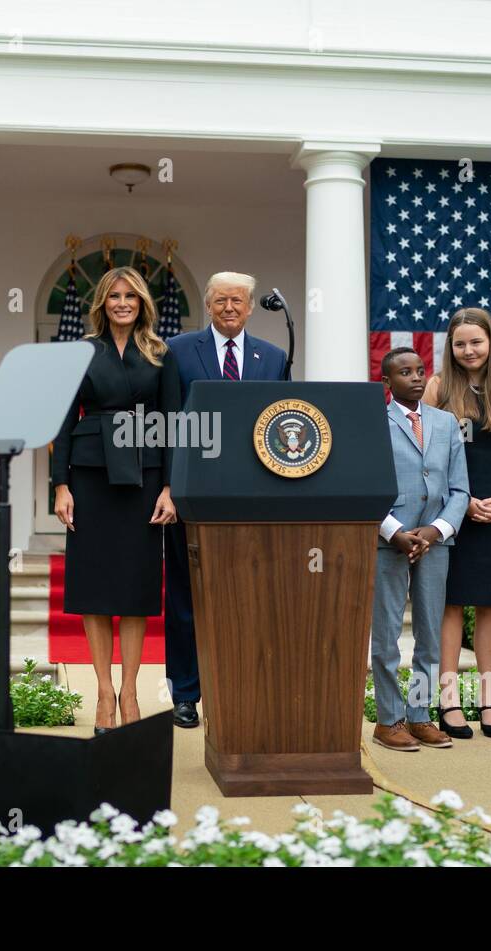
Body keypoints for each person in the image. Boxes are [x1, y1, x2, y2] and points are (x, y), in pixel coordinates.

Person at [52, 266, 182, 735]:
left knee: (133, 587)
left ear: (142, 302)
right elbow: (63, 420)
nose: (122, 302)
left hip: (144, 477)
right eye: (113, 296)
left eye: (130, 295)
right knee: (93, 585)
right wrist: (60, 485)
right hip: (89, 475)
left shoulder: (161, 352)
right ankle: (102, 692)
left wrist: (170, 487)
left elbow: (171, 423)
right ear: (102, 303)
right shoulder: (82, 351)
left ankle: (130, 691)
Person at [164, 270, 288, 729]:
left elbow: (282, 425)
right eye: (221, 301)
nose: (230, 308)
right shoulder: (177, 351)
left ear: (251, 306)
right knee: (185, 594)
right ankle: (186, 693)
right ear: (209, 305)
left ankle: (243, 688)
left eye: (238, 301)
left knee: (249, 593)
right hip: (193, 493)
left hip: (253, 497)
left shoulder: (272, 358)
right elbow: (168, 423)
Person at [422, 307, 491, 739]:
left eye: (476, 342)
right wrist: (459, 504)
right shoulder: (439, 388)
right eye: (460, 343)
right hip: (451, 512)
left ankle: (489, 701)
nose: (468, 350)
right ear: (451, 346)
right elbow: (423, 450)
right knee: (451, 604)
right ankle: (447, 700)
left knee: (490, 604)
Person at [370, 348, 469, 752]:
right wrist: (394, 531)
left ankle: (419, 714)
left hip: (434, 542)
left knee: (430, 632)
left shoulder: (446, 423)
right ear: (386, 383)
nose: (415, 377)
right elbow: (367, 484)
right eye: (404, 372)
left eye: (420, 371)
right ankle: (389, 719)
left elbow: (460, 489)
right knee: (388, 633)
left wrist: (436, 530)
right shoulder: (375, 424)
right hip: (388, 541)